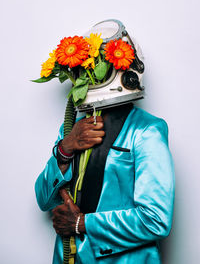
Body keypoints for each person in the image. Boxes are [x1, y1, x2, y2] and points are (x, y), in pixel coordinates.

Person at [35, 19, 175, 263]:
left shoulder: (147, 131)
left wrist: (82, 223)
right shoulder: (74, 129)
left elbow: (155, 220)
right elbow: (44, 200)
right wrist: (64, 150)